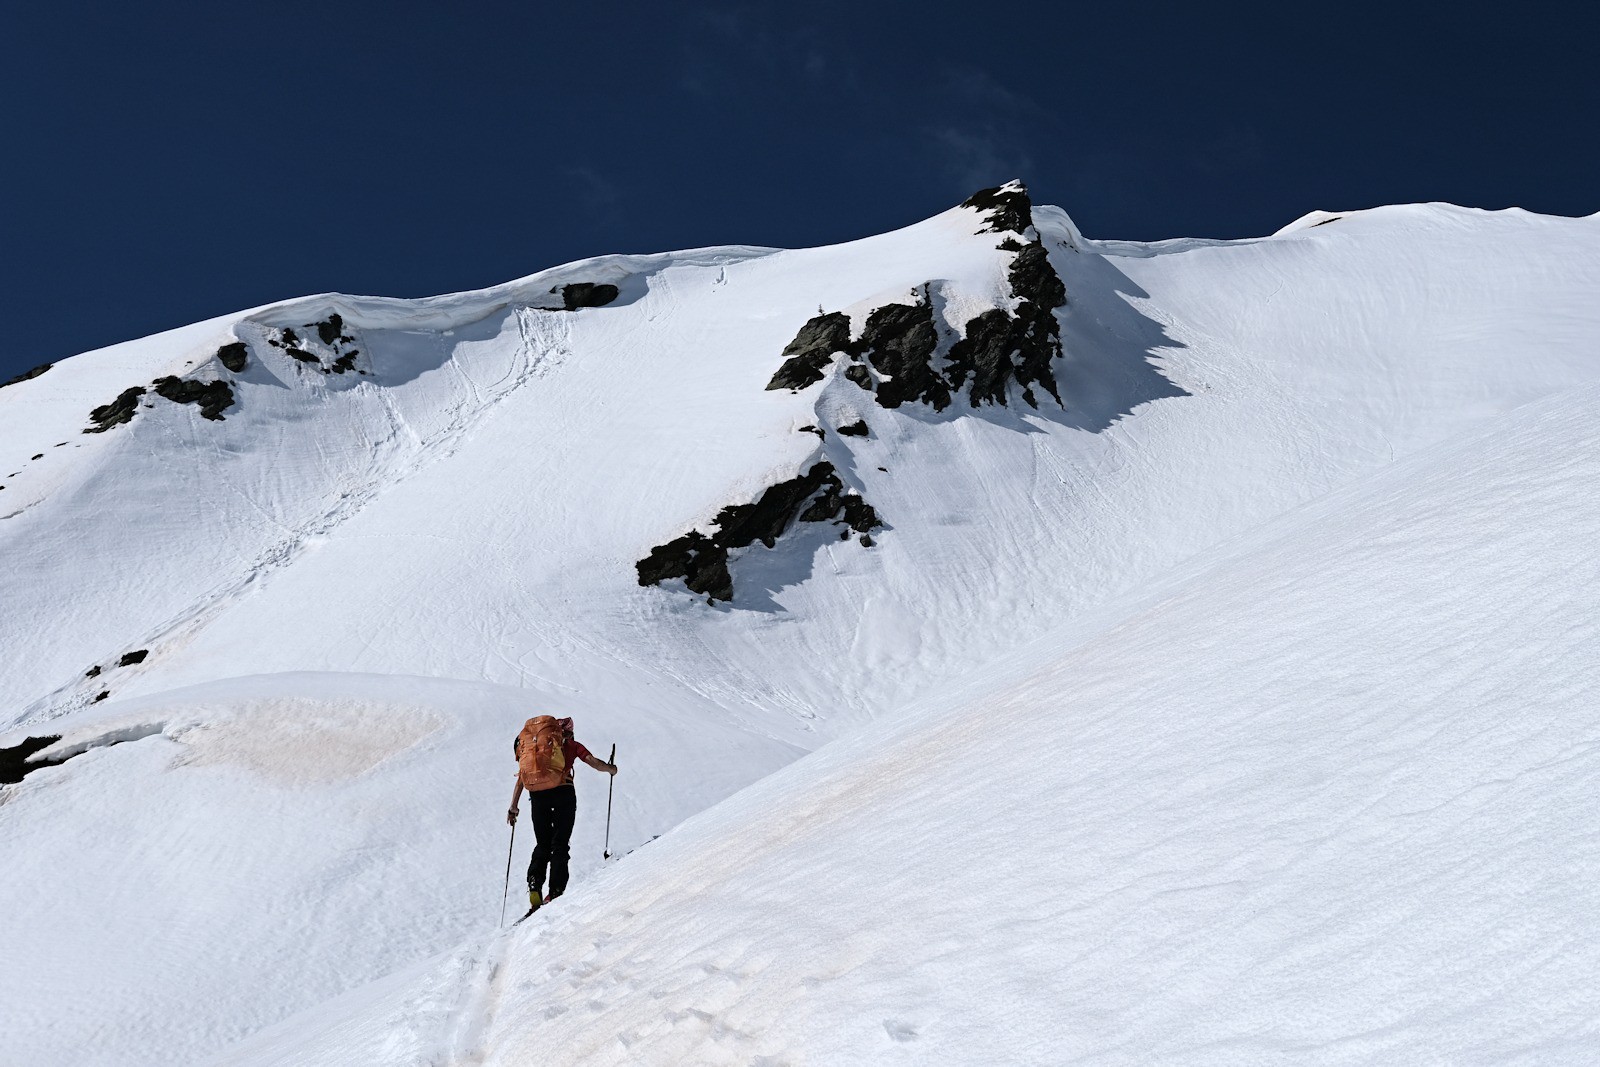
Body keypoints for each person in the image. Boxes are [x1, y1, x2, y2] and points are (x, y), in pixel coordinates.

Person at [507, 716, 616, 913]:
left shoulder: (537, 751)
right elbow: (592, 762)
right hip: (564, 794)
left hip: (538, 797)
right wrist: (611, 769)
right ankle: (555, 890)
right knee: (560, 843)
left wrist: (513, 807)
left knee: (542, 843)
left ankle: (535, 882)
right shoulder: (572, 745)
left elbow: (522, 777)